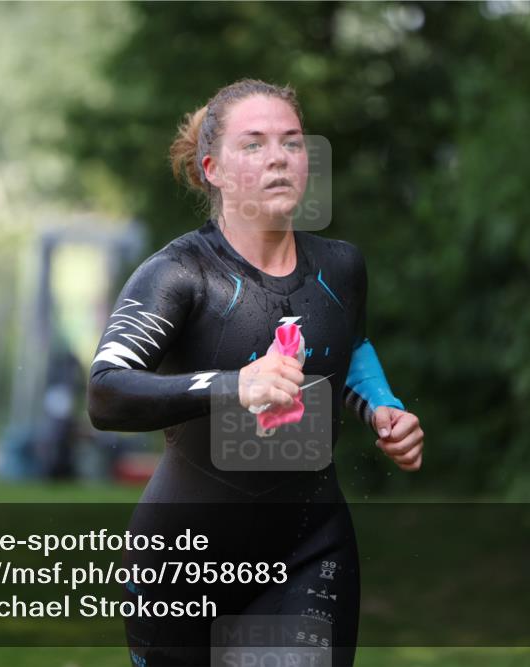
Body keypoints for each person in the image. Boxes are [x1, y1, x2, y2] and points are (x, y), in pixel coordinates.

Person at [87, 79, 424, 667]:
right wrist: (233, 385)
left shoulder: (341, 267)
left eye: (292, 143)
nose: (278, 157)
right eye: (255, 144)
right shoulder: (177, 274)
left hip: (308, 551)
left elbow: (347, 342)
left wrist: (383, 406)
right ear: (212, 167)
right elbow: (107, 393)